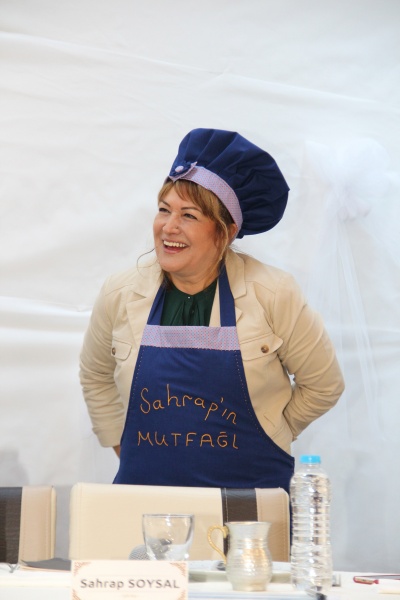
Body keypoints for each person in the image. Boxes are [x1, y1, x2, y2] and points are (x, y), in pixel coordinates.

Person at [80, 128, 344, 493]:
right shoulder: (121, 292)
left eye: (188, 215)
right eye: (164, 210)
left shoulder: (273, 293)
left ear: (226, 231)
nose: (169, 227)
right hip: (148, 499)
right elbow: (95, 373)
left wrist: (271, 432)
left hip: (250, 501)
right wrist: (121, 444)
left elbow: (324, 385)